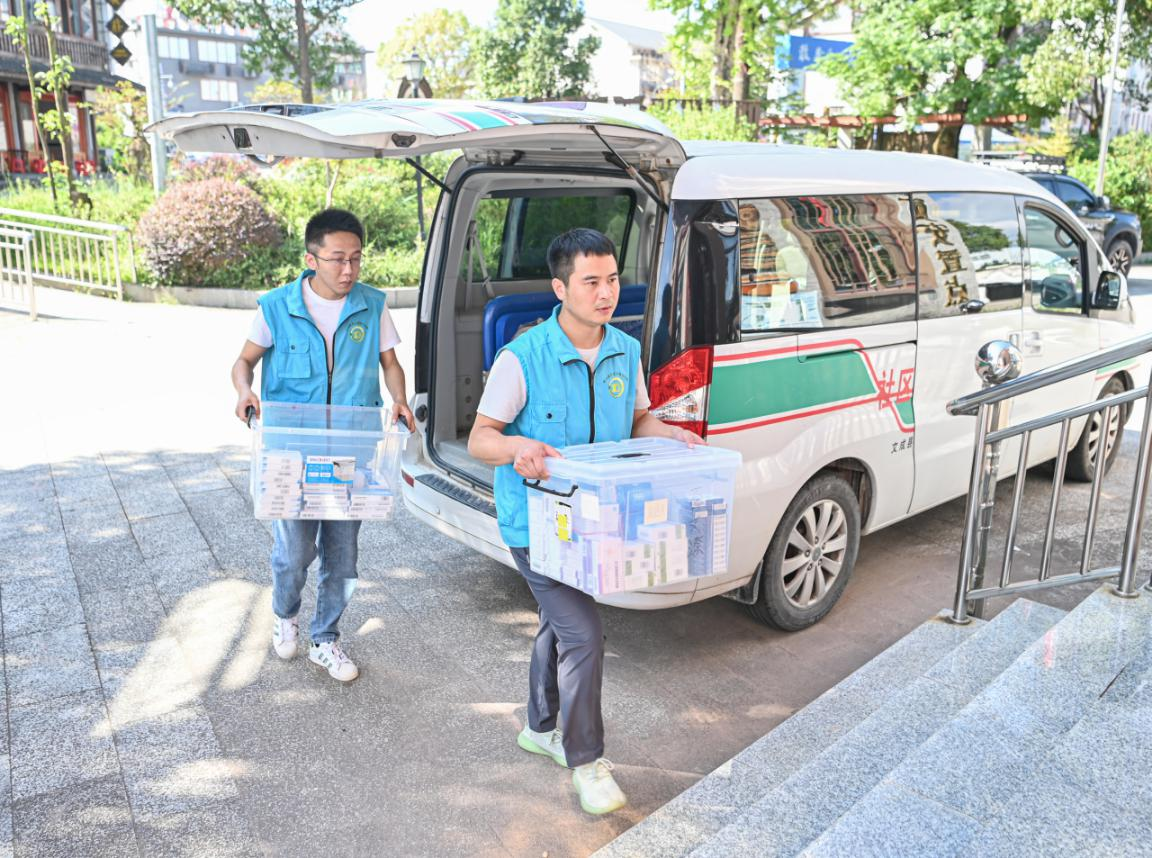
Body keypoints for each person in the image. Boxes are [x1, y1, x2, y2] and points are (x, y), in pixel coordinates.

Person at [467, 228, 704, 815]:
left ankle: (539, 727)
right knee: (583, 634)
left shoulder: (625, 349)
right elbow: (480, 439)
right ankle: (586, 760)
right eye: (591, 282)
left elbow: (639, 419)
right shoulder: (522, 357)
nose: (606, 293)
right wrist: (518, 446)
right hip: (538, 525)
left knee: (560, 623)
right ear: (560, 288)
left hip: (598, 521)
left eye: (613, 279)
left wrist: (670, 434)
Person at [231, 208, 414, 682]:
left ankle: (325, 638)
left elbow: (390, 363)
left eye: (356, 258)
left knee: (343, 556)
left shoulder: (372, 305)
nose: (348, 269)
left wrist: (399, 399)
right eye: (337, 259)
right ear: (311, 259)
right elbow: (244, 362)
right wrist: (244, 391)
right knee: (294, 553)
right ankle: (284, 613)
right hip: (290, 451)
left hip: (351, 450)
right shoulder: (276, 306)